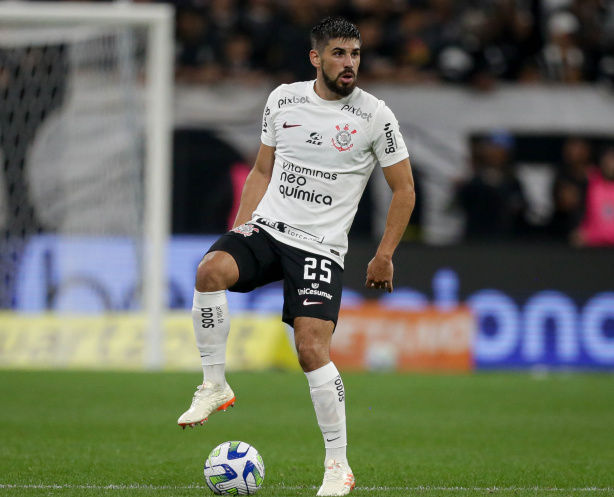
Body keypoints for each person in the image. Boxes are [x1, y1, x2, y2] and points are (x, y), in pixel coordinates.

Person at [178, 17, 415, 497]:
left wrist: (384, 254)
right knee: (210, 270)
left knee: (310, 350)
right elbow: (262, 168)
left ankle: (337, 466)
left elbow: (404, 189)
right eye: (339, 53)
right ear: (316, 57)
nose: (349, 63)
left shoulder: (375, 116)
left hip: (320, 247)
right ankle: (214, 385)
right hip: (268, 229)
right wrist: (241, 227)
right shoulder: (283, 99)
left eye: (355, 54)